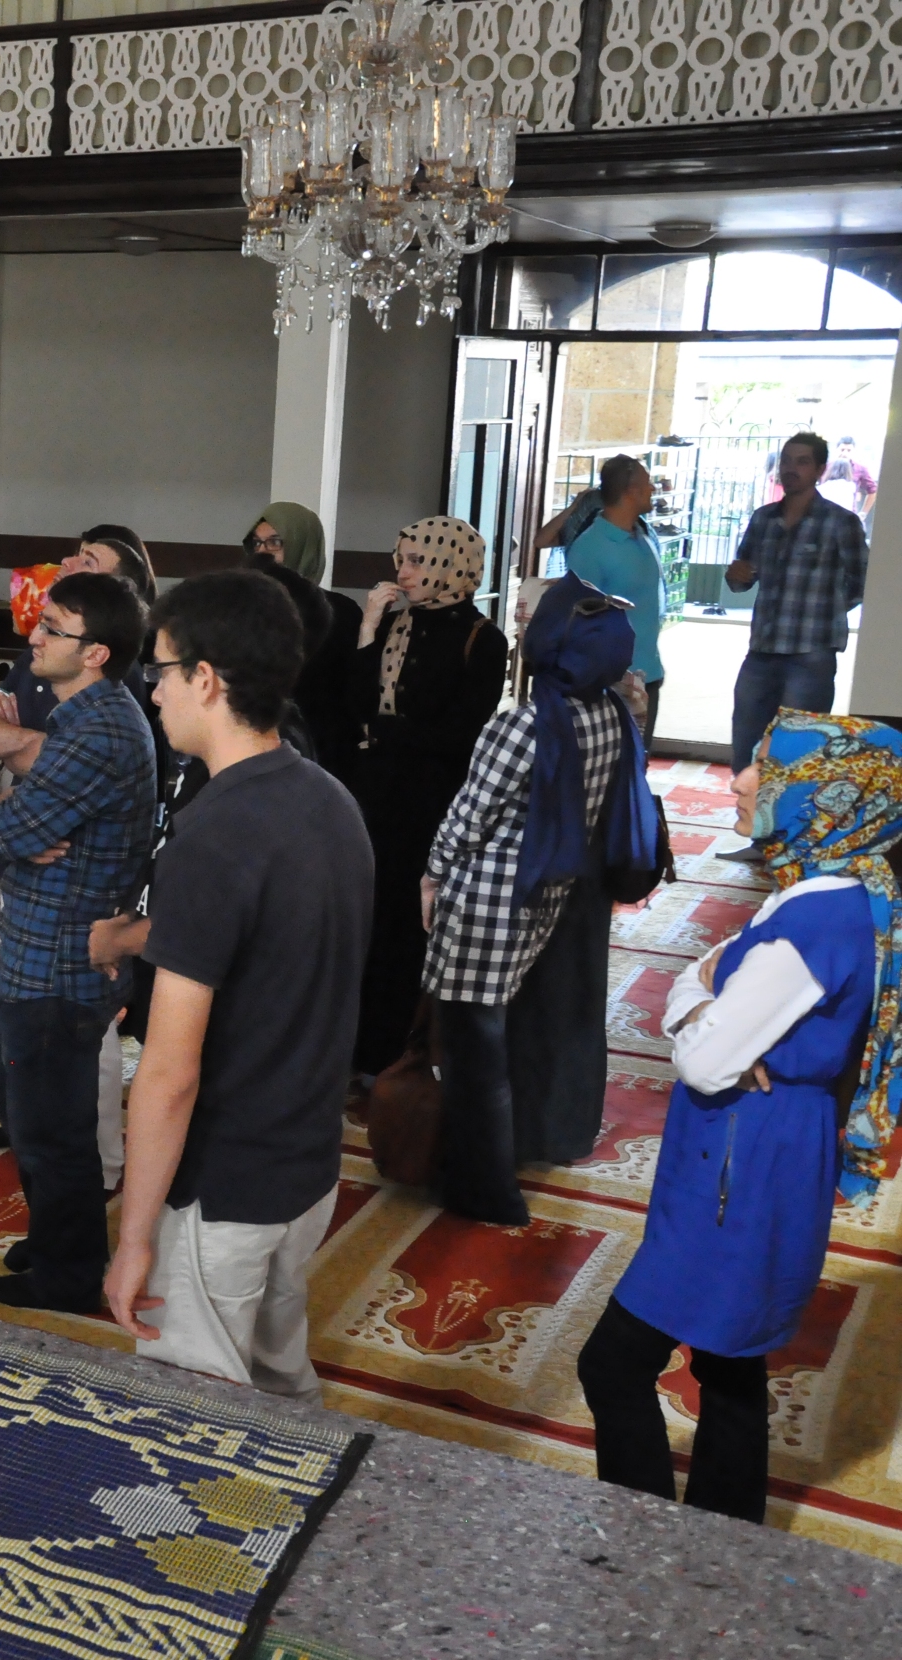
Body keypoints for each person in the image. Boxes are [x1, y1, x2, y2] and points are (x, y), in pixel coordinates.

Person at [577, 713, 898, 1523]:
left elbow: (704, 1059)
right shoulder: (837, 893)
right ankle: (725, 1539)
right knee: (728, 1365)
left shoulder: (808, 927)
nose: (743, 781)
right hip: (768, 1152)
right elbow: (702, 984)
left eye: (765, 768)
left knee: (612, 1364)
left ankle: (644, 1533)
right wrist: (704, 1000)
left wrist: (697, 1007)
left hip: (737, 1166)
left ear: (824, 798)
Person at [103, 570, 372, 1400]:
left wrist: (134, 1236)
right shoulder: (330, 799)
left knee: (195, 1421)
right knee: (282, 1386)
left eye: (162, 670)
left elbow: (170, 1073)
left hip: (225, 1186)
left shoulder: (215, 835)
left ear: (207, 679)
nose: (153, 691)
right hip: (307, 1166)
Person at [422, 575, 636, 1224]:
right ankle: (479, 1173)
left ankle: (487, 1191)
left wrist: (431, 877)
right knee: (487, 1047)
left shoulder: (524, 723)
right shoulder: (610, 714)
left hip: (486, 900)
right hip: (544, 895)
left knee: (474, 1056)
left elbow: (469, 819)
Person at [0, 571, 155, 1313]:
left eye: (53, 627)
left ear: (96, 653)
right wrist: (19, 829)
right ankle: (58, 1239)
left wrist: (6, 829)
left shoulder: (101, 731)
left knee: (53, 1130)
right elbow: (19, 831)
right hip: (38, 952)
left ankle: (70, 1274)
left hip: (58, 963)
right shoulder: (82, 717)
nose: (34, 634)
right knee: (19, 1104)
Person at [349, 518, 506, 1078]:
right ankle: (358, 1051)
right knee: (368, 922)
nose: (404, 571)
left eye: (417, 559)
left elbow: (460, 734)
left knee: (408, 930)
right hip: (376, 796)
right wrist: (369, 627)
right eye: (402, 558)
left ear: (450, 564)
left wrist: (385, 732)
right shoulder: (396, 623)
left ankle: (397, 1060)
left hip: (431, 806)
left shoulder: (483, 640)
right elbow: (357, 705)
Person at [726, 432, 868, 773]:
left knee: (798, 755)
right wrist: (736, 574)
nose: (791, 469)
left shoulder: (841, 522)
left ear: (820, 470)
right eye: (786, 461)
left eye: (802, 462)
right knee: (745, 747)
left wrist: (826, 612)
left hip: (811, 656)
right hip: (761, 652)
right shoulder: (763, 519)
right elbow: (739, 580)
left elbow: (862, 583)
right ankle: (749, 805)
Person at [243, 503, 362, 780]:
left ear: (304, 546)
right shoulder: (242, 607)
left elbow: (349, 694)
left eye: (275, 542)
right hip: (256, 745)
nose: (263, 552)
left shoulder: (339, 611)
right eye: (257, 543)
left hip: (322, 751)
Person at [562, 456, 667, 739]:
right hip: (611, 683)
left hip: (647, 674)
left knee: (639, 760)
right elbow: (575, 620)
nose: (653, 489)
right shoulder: (590, 547)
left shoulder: (642, 535)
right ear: (630, 491)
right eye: (647, 484)